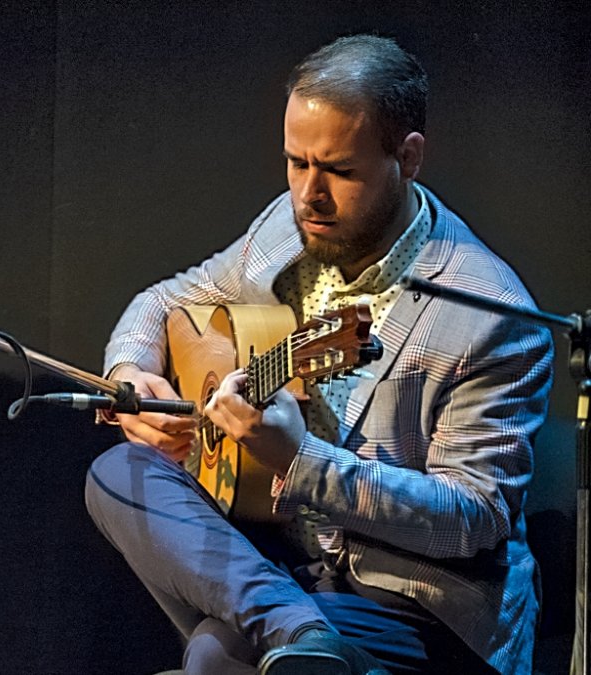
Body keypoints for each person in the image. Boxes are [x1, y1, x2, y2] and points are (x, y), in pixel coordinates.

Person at [84, 34, 552, 675]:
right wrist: (131, 372)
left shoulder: (490, 313)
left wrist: (299, 461)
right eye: (296, 163)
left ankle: (295, 636)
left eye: (339, 170)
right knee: (119, 474)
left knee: (216, 656)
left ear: (408, 157)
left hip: (415, 603)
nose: (310, 194)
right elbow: (167, 299)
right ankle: (298, 631)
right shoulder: (289, 226)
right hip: (280, 561)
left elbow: (473, 519)